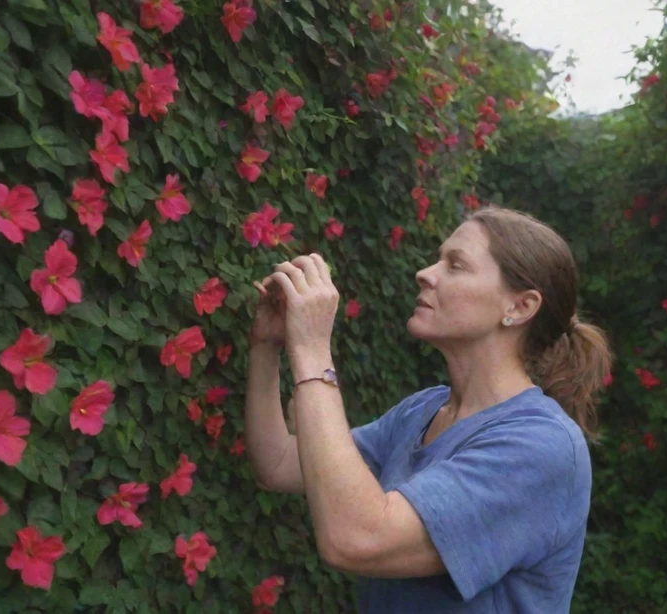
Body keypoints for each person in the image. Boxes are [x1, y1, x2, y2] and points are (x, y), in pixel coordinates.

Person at [244, 206, 612, 613]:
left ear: (520, 307)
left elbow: (357, 539)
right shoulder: (423, 411)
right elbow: (278, 462)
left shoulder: (541, 446)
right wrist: (267, 347)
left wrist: (312, 350)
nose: (425, 273)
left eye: (455, 265)